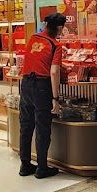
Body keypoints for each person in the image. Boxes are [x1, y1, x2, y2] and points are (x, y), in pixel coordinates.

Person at [17, 13, 66, 179]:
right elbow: (54, 71)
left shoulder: (33, 38)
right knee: (42, 126)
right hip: (41, 86)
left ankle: (25, 165)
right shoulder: (55, 44)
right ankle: (42, 167)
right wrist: (56, 98)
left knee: (26, 125)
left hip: (25, 84)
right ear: (60, 27)